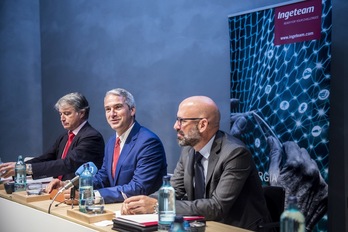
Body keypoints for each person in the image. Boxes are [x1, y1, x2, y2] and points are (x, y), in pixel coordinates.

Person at [120, 96, 271, 231]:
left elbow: (217, 207)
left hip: (237, 227)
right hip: (205, 225)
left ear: (203, 125)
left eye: (181, 120)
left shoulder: (235, 153)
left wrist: (156, 206)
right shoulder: (188, 151)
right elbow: (174, 190)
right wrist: (142, 203)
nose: (175, 126)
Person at [46, 88, 167, 204]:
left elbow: (138, 188)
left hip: (142, 215)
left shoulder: (148, 142)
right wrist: (69, 185)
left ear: (132, 110)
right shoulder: (111, 142)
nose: (112, 114)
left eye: (118, 107)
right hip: (117, 209)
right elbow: (103, 178)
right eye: (108, 109)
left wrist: (91, 196)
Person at [0, 92, 105, 181]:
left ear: (81, 113)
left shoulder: (92, 137)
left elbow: (67, 164)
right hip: (56, 189)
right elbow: (46, 158)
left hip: (78, 194)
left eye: (67, 113)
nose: (62, 118)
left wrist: (25, 168)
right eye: (60, 114)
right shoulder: (64, 137)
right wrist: (19, 166)